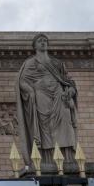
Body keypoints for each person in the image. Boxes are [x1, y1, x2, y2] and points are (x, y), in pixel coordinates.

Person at [17, 33, 78, 168]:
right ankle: (47, 159)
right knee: (45, 126)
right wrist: (30, 91)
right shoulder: (30, 63)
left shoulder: (56, 63)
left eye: (45, 40)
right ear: (34, 46)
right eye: (40, 41)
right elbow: (22, 81)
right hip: (41, 95)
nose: (43, 42)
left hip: (59, 94)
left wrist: (71, 90)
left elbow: (68, 81)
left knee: (65, 122)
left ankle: (68, 158)